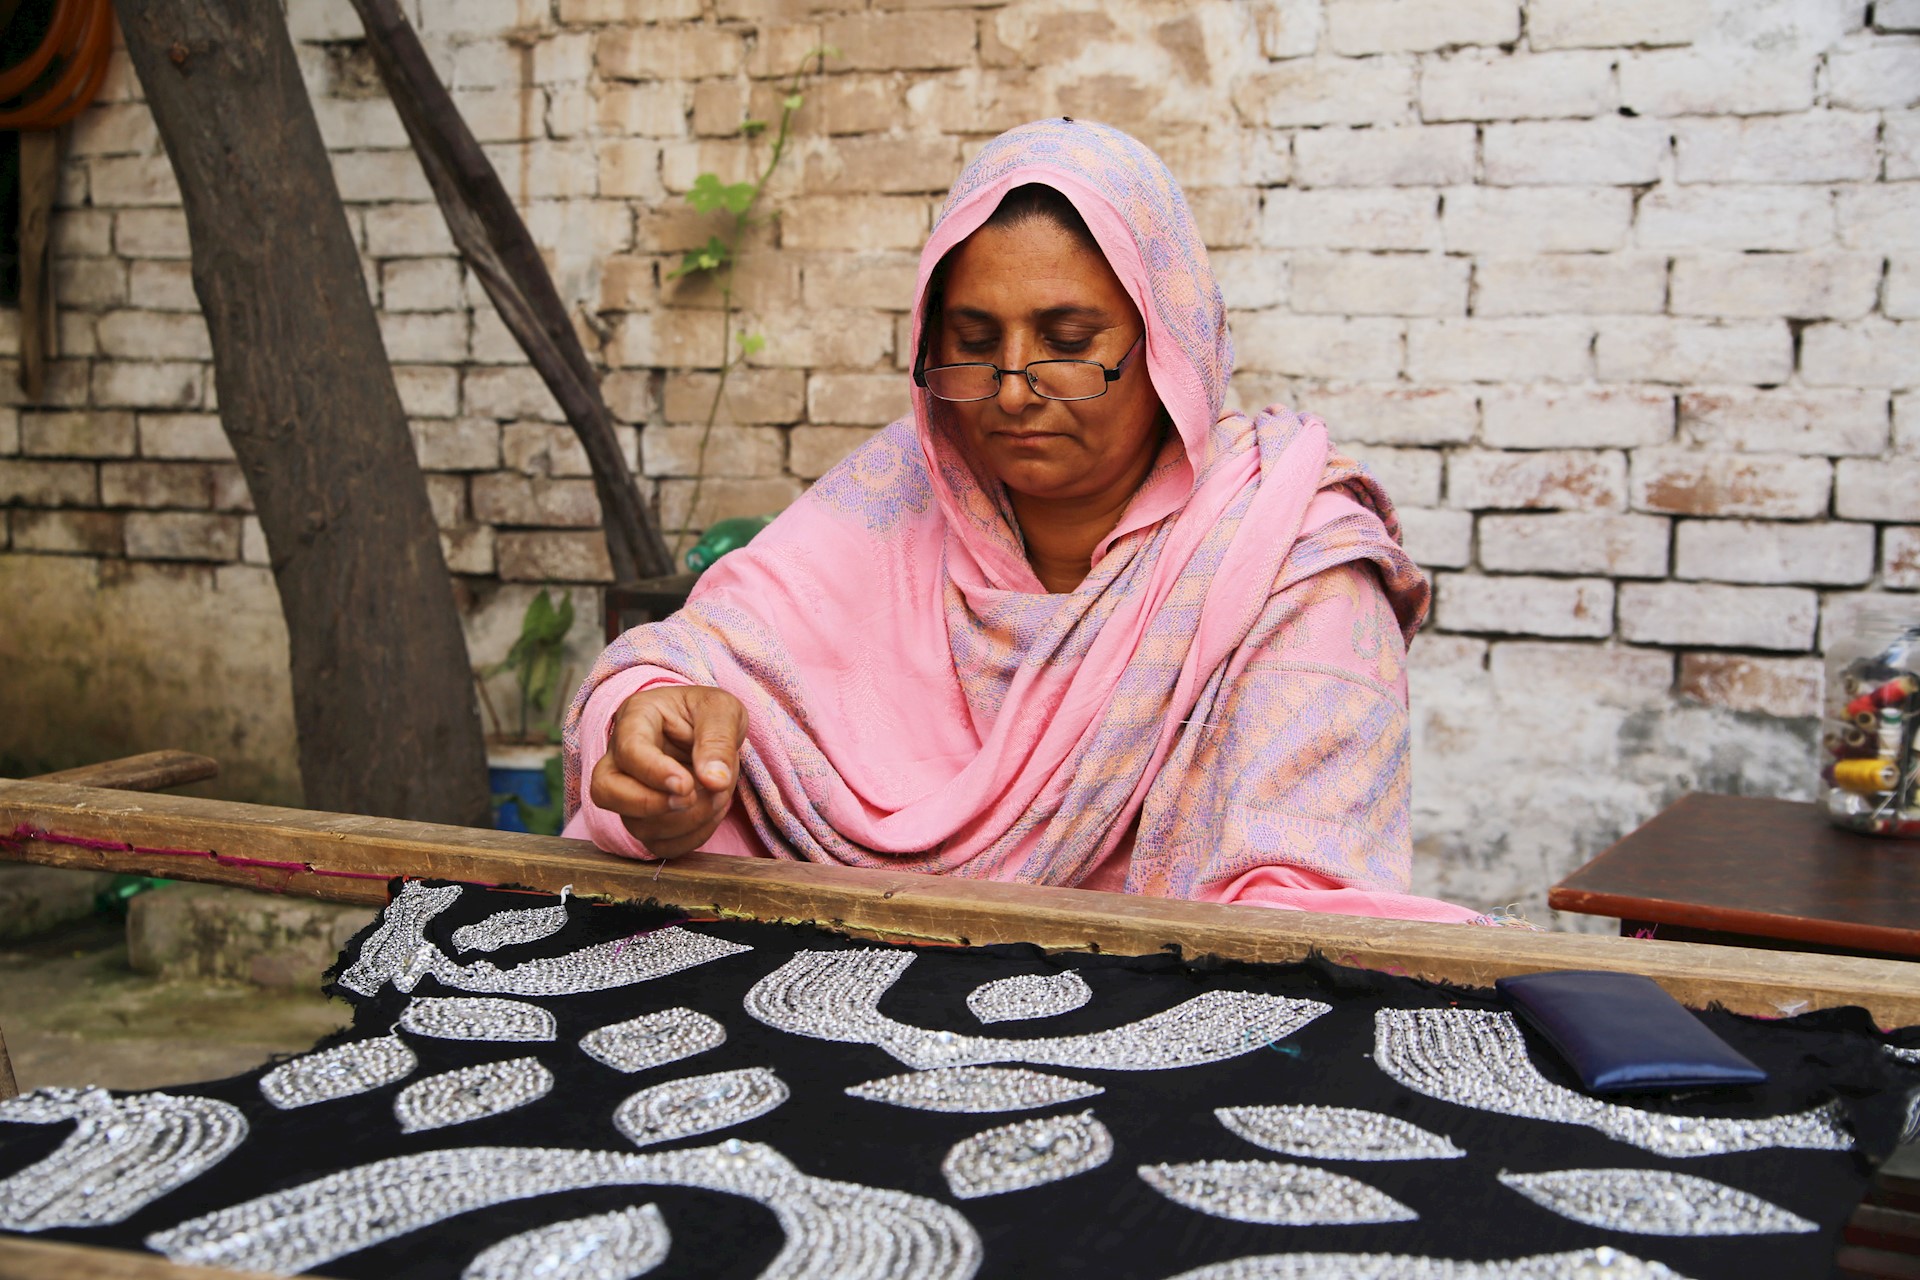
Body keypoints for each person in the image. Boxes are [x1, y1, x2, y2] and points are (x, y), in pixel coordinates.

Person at [562, 118, 1491, 924]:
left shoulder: (1290, 564)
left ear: (1167, 343)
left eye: (1068, 343)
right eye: (972, 344)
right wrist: (657, 755)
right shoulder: (896, 495)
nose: (1012, 387)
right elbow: (683, 668)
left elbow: (1298, 911)